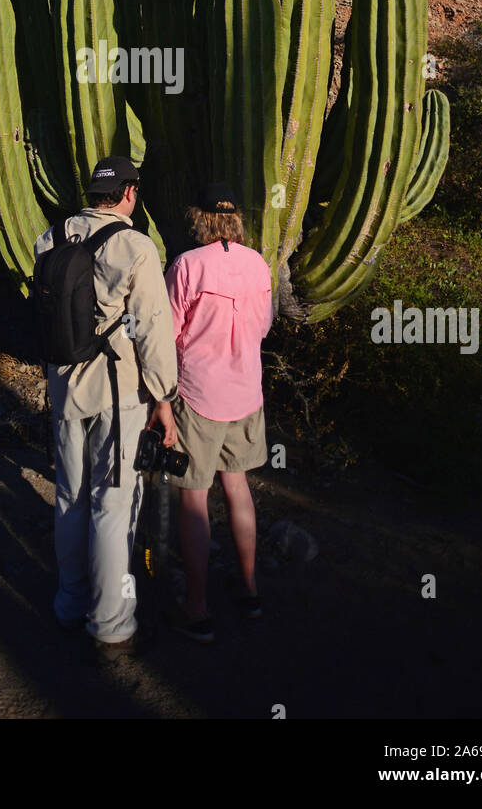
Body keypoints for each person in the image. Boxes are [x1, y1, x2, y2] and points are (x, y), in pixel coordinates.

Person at [33, 155, 178, 660]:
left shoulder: (50, 237)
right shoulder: (135, 247)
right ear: (129, 194)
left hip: (64, 387)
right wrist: (164, 395)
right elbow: (153, 328)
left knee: (69, 496)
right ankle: (110, 621)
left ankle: (70, 602)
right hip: (118, 390)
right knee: (112, 505)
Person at [165, 182, 274, 643]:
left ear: (201, 217)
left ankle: (197, 606)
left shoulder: (188, 265)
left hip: (198, 395)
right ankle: (249, 591)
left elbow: (167, 332)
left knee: (193, 495)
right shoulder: (257, 263)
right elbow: (264, 326)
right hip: (246, 391)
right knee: (238, 486)